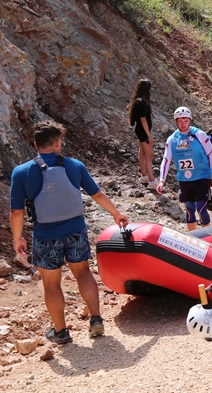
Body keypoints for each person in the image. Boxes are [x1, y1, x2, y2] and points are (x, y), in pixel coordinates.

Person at [10, 121, 129, 344]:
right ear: (58, 143)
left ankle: (61, 331)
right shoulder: (75, 166)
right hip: (76, 231)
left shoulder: (21, 172)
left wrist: (17, 238)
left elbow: (16, 212)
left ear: (35, 145)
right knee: (83, 272)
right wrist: (116, 213)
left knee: (51, 283)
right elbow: (97, 194)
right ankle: (96, 319)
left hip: (45, 236)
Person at [157, 107, 212, 231]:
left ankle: (208, 238)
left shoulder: (199, 135)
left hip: (202, 177)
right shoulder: (172, 139)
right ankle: (193, 237)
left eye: (185, 120)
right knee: (189, 209)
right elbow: (166, 160)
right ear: (176, 122)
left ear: (189, 120)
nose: (183, 124)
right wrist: (162, 180)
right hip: (185, 179)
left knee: (201, 208)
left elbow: (211, 155)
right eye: (179, 121)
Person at [128, 79, 158, 190]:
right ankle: (152, 181)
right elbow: (143, 120)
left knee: (142, 153)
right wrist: (149, 135)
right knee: (149, 156)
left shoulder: (136, 101)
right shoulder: (142, 103)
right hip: (143, 131)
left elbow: (128, 107)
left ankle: (144, 176)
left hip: (139, 130)